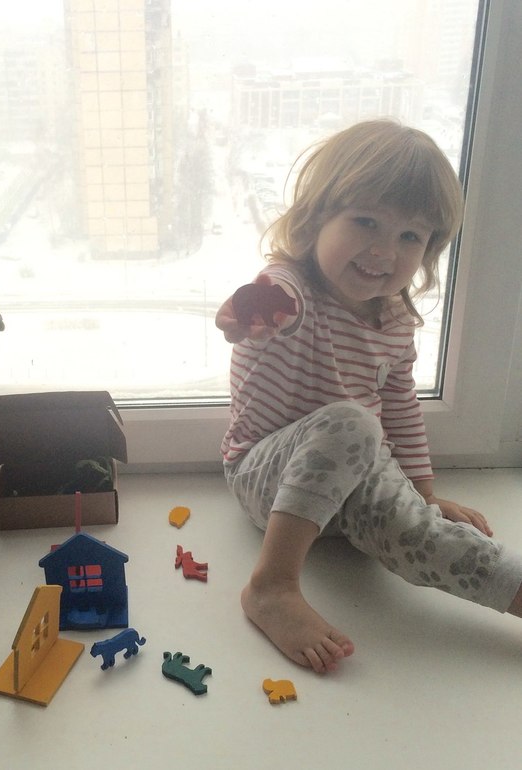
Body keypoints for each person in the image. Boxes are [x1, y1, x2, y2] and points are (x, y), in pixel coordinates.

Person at [215, 119, 522, 674]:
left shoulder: (396, 320)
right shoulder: (293, 289)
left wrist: (424, 495)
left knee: (422, 534)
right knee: (356, 422)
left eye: (411, 236)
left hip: (347, 489)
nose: (385, 249)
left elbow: (401, 408)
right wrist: (253, 311)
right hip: (266, 480)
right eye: (366, 222)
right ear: (317, 218)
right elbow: (276, 299)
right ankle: (272, 586)